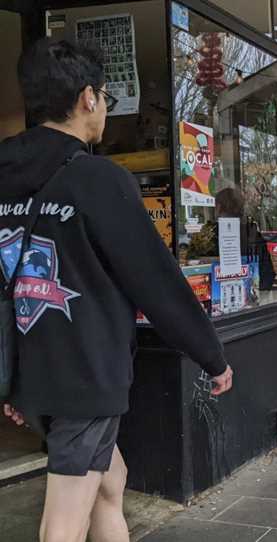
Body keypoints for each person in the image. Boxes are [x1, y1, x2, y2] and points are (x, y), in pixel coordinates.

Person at [1, 40, 233, 542]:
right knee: (63, 520)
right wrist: (211, 356)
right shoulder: (98, 180)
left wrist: (11, 377)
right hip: (85, 371)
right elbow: (154, 279)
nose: (105, 107)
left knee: (113, 481)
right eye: (105, 96)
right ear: (88, 97)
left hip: (33, 371)